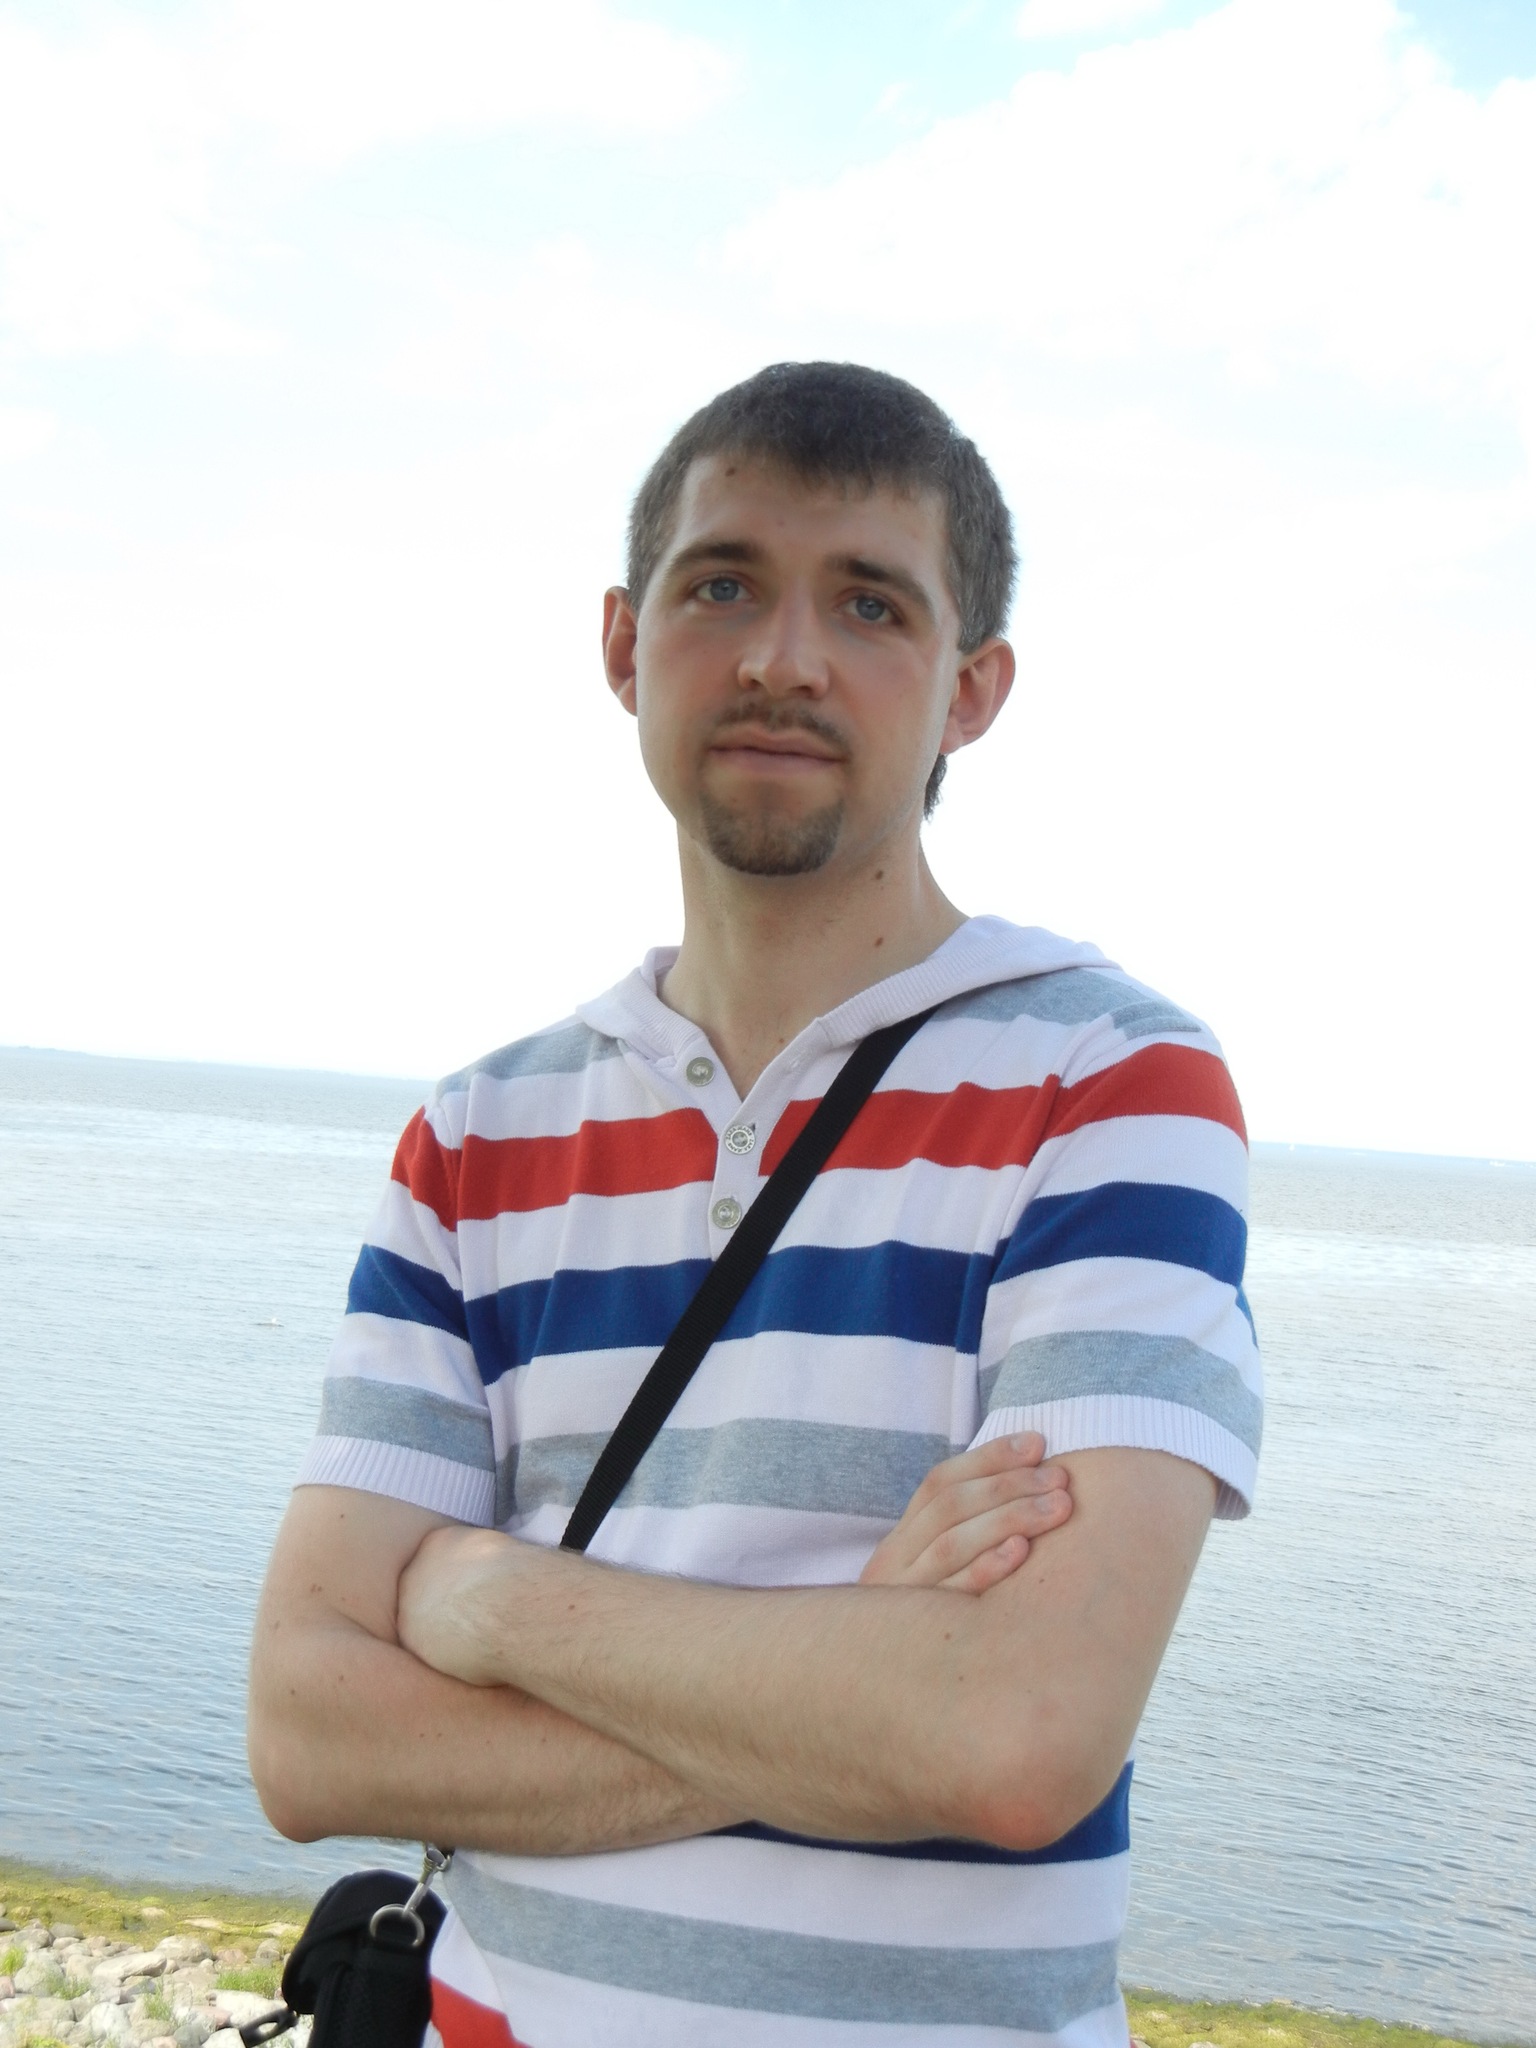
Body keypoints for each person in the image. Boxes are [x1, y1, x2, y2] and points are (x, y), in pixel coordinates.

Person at [248, 360, 1262, 2048]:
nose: (785, 658)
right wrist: (859, 1665)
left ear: (973, 689)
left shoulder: (1112, 1084)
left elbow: (1016, 1739)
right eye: (722, 584)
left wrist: (487, 1603)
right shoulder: (478, 1131)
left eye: (870, 604)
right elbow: (307, 1736)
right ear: (623, 644)